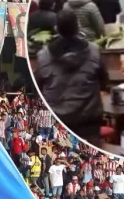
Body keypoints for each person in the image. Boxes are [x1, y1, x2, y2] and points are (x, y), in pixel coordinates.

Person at [34, 9, 107, 143]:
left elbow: (37, 88)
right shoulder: (94, 52)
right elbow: (105, 82)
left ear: (56, 29)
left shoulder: (43, 57)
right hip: (88, 124)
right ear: (78, 27)